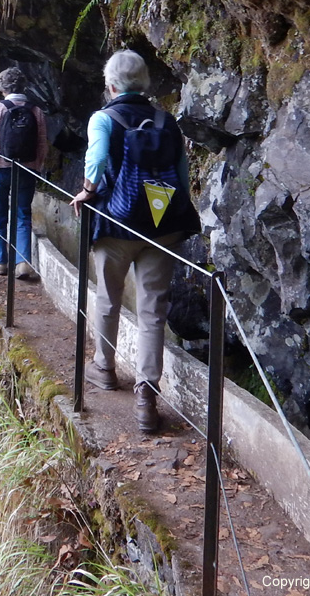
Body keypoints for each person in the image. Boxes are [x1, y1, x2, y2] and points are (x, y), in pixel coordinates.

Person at [70, 50, 200, 433]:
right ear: (144, 83)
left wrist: (85, 191)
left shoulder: (104, 118)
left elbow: (94, 161)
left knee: (108, 298)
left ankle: (104, 369)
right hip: (163, 226)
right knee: (152, 310)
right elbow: (181, 173)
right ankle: (147, 393)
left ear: (110, 85)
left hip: (116, 223)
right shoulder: (166, 121)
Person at [0, 67, 47, 279]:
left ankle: (1, 261)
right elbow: (42, 144)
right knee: (23, 213)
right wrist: (36, 167)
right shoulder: (36, 110)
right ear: (23, 85)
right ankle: (22, 262)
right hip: (27, 169)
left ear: (2, 87)